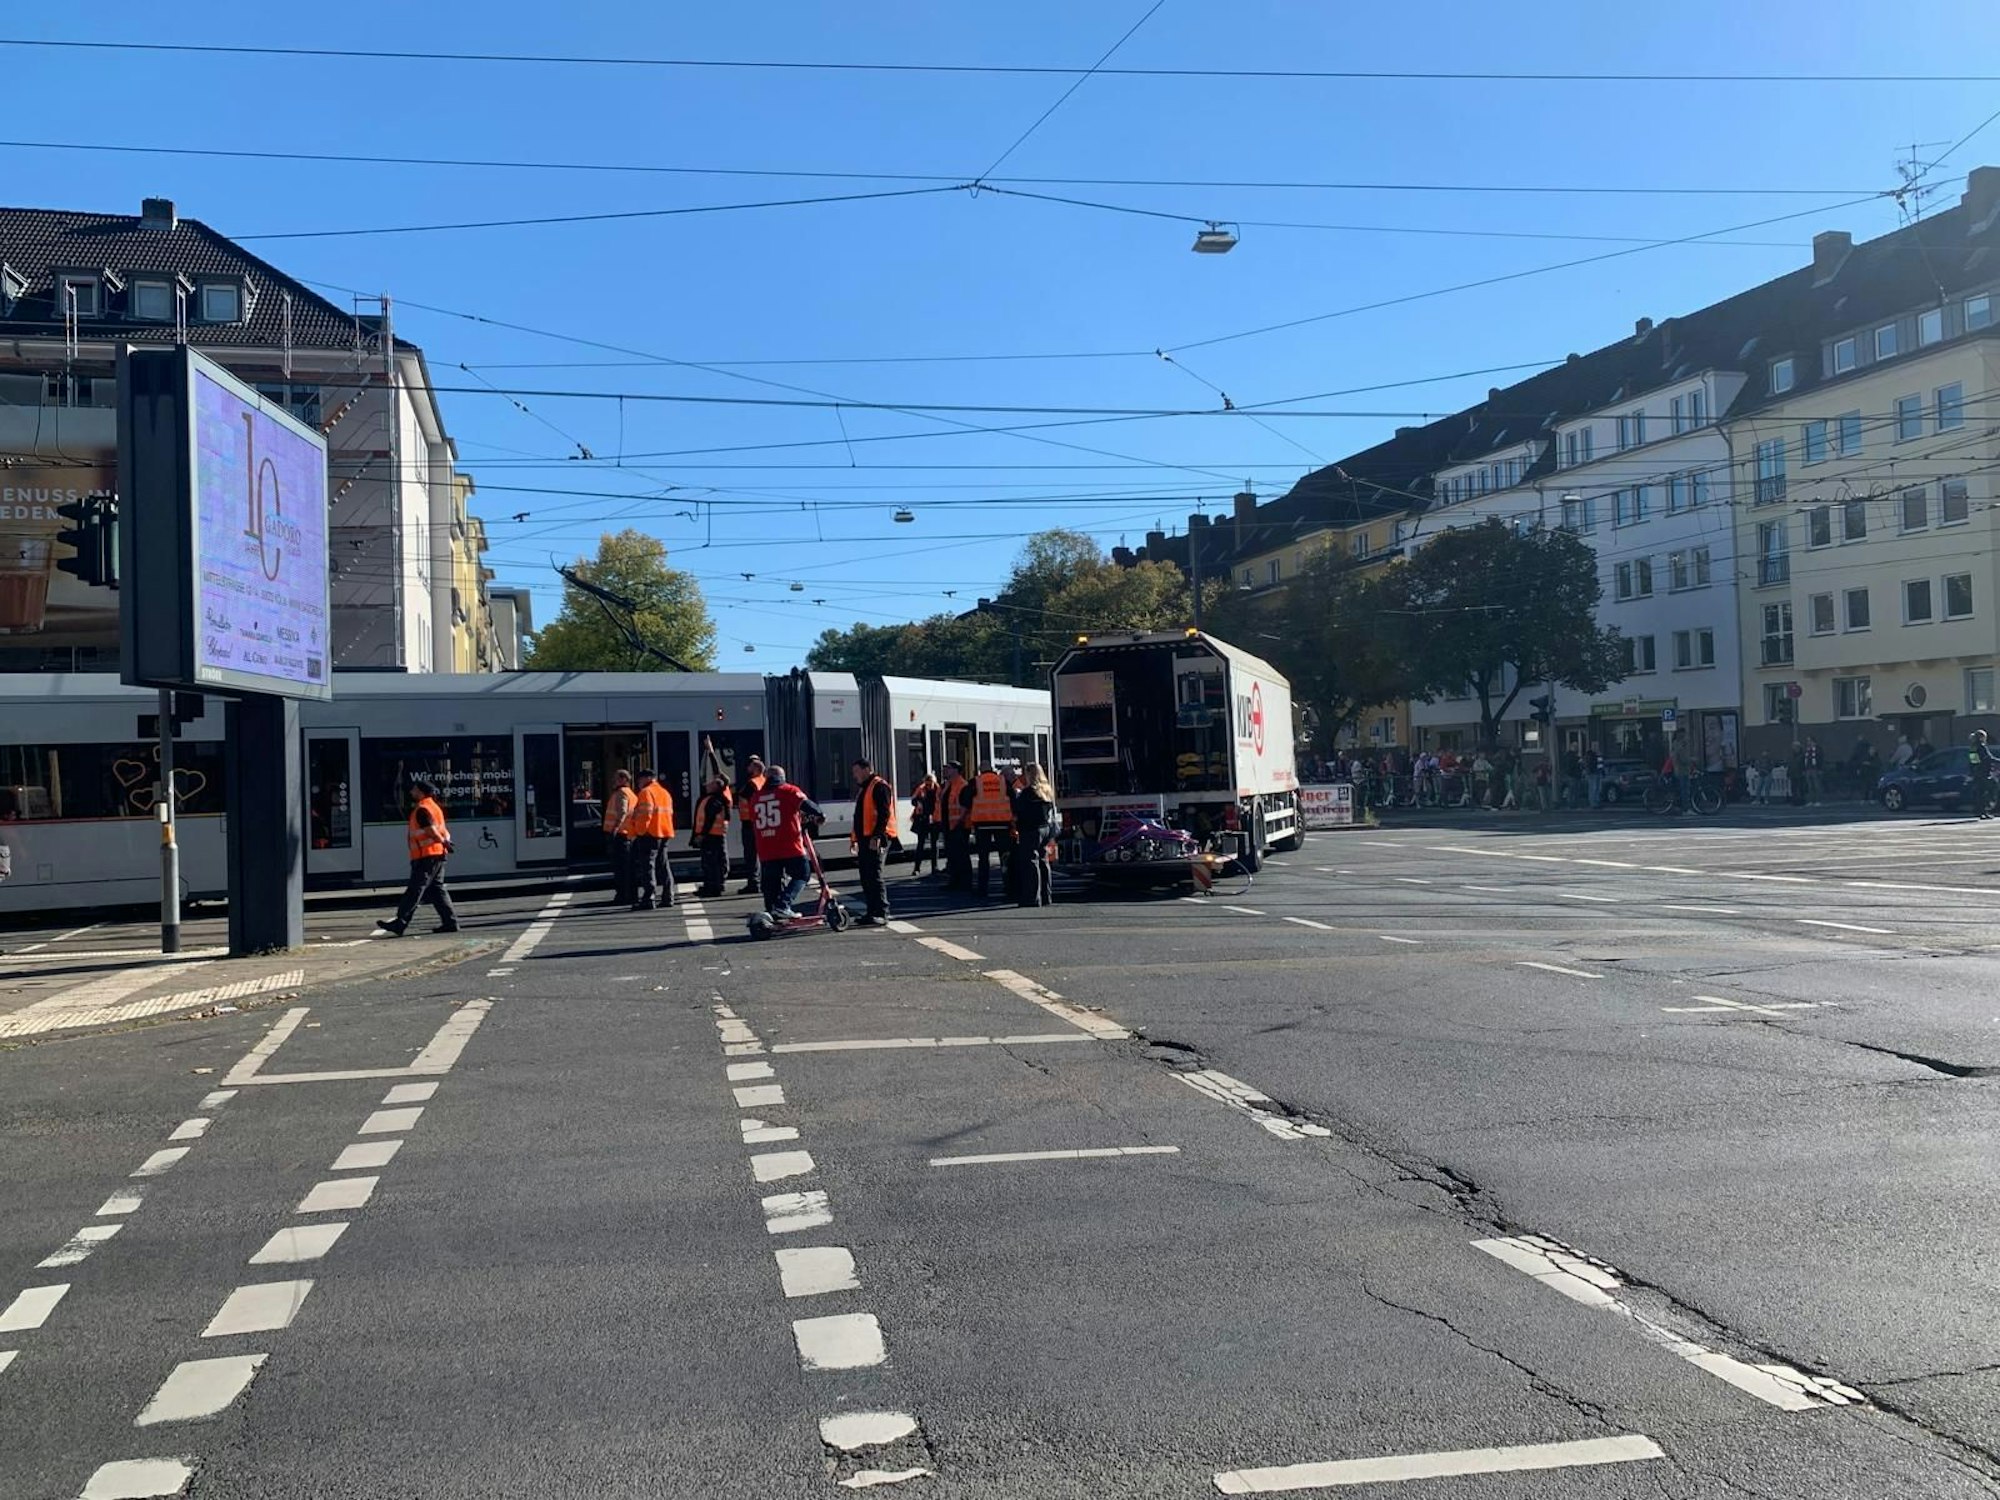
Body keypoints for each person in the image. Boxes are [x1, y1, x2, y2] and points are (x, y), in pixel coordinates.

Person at [378, 778, 459, 936]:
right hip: (436, 854)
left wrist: (442, 841)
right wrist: (445, 842)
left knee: (415, 890)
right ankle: (450, 922)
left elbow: (431, 830)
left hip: (427, 856)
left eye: (414, 790)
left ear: (421, 792)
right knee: (437, 890)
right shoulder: (434, 807)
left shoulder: (422, 809)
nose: (411, 792)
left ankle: (400, 923)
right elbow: (443, 830)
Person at [752, 764, 824, 920]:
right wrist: (819, 815)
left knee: (771, 884)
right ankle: (783, 905)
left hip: (766, 848)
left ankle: (772, 913)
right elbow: (808, 806)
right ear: (782, 778)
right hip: (789, 845)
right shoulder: (789, 791)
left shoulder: (756, 797)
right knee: (802, 874)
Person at [849, 758, 897, 926]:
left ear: (866, 769)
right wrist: (855, 839)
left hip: (877, 837)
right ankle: (872, 912)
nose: (854, 776)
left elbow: (884, 814)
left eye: (856, 771)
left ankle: (882, 912)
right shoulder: (865, 788)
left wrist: (877, 836)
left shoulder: (879, 786)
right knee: (866, 875)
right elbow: (860, 817)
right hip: (865, 837)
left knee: (874, 874)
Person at [626, 767, 676, 910]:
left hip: (650, 834)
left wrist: (639, 832)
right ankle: (668, 896)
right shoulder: (665, 793)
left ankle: (649, 898)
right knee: (664, 865)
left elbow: (645, 815)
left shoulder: (646, 792)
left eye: (640, 780)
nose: (638, 783)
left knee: (648, 866)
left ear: (647, 778)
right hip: (665, 832)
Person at [965, 762, 1015, 899]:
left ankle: (983, 889)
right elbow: (1013, 798)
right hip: (1003, 824)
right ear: (992, 769)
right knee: (1005, 857)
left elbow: (964, 799)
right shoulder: (1003, 781)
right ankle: (1009, 886)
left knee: (983, 858)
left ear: (981, 770)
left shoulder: (976, 782)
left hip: (982, 825)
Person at [1013, 762, 1057, 907]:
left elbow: (1019, 811)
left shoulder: (1027, 793)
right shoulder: (1046, 790)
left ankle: (1032, 897)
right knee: (1043, 861)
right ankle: (1046, 896)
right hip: (1045, 828)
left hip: (1031, 829)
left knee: (1031, 862)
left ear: (1029, 774)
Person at [691, 775, 733, 897]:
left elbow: (708, 820)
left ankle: (713, 886)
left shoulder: (714, 801)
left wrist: (702, 834)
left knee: (711, 862)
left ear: (715, 787)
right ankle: (714, 885)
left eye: (710, 784)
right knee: (715, 862)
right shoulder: (718, 799)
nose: (707, 786)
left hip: (711, 836)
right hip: (715, 835)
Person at [601, 768, 637, 907]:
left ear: (623, 779)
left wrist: (615, 828)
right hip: (629, 834)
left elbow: (622, 812)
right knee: (629, 868)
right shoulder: (632, 794)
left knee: (621, 868)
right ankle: (630, 895)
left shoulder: (621, 793)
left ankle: (623, 895)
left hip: (621, 834)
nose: (612, 781)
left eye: (616, 778)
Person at [735, 754, 768, 895]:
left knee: (751, 855)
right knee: (763, 853)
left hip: (749, 823)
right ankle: (764, 881)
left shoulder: (751, 784)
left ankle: (754, 882)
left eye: (749, 765)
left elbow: (741, 796)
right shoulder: (764, 782)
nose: (747, 767)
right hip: (761, 822)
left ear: (754, 768)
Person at [940, 762, 973, 890]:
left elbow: (965, 806)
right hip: (949, 825)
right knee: (952, 855)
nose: (944, 771)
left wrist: (959, 821)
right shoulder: (948, 785)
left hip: (960, 825)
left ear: (956, 770)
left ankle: (965, 882)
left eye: (947, 769)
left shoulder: (962, 785)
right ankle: (954, 881)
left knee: (961, 855)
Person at [908, 773, 941, 875]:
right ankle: (917, 868)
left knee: (934, 844)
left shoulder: (939, 790)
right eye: (927, 784)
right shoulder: (921, 789)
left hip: (935, 819)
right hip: (923, 819)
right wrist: (917, 802)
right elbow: (913, 800)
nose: (928, 786)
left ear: (934, 782)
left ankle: (934, 867)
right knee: (920, 844)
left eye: (930, 784)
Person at [1968, 730, 1999, 818]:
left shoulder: (1973, 747)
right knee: (1988, 791)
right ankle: (1984, 811)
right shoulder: (1981, 747)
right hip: (1984, 773)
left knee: (1979, 792)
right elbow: (1989, 758)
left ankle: (1979, 811)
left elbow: (1973, 761)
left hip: (1977, 773)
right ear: (1981, 737)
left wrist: (1974, 771)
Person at [1803, 736, 1824, 806]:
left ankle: (1818, 800)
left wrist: (1820, 769)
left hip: (1815, 769)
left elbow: (1821, 759)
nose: (1808, 742)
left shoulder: (1818, 749)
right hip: (1808, 769)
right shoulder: (1807, 750)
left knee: (1816, 785)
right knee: (1809, 786)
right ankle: (1811, 800)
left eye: (1809, 741)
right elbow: (1805, 760)